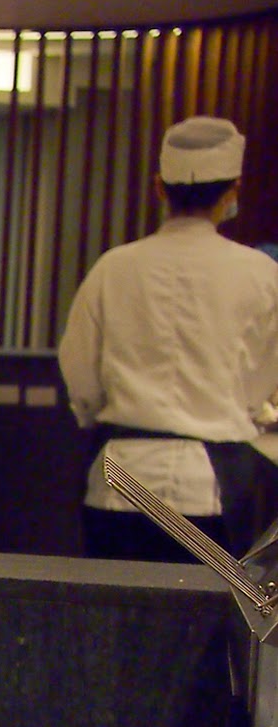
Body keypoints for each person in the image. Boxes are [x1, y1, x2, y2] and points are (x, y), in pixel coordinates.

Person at [58, 116, 278, 562]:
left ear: (159, 188)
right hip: (213, 489)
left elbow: (80, 376)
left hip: (119, 480)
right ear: (233, 191)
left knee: (114, 604)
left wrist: (103, 412)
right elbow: (262, 383)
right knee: (208, 607)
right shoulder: (262, 275)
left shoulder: (113, 268)